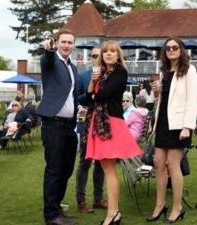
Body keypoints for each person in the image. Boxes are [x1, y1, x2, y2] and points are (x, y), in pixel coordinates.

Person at [85, 40, 141, 225]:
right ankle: (114, 213)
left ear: (118, 55)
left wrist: (94, 93)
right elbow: (88, 96)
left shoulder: (119, 72)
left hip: (111, 123)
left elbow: (102, 95)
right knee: (106, 168)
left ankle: (112, 214)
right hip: (100, 121)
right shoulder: (100, 74)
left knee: (109, 170)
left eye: (112, 51)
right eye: (105, 51)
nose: (108, 54)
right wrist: (93, 82)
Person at [148, 37, 197, 223]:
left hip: (179, 125)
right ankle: (160, 205)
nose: (171, 50)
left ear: (181, 50)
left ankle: (177, 207)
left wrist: (187, 126)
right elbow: (163, 100)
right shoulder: (164, 71)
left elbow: (192, 100)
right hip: (162, 122)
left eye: (174, 47)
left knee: (172, 164)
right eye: (167, 48)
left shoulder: (189, 70)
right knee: (158, 163)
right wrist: (156, 92)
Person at [36, 29, 78, 225]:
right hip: (53, 124)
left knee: (67, 169)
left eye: (70, 42)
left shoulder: (73, 68)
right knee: (54, 169)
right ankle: (51, 215)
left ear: (73, 45)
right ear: (57, 43)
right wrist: (49, 51)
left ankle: (57, 207)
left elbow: (72, 95)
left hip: (70, 126)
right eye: (63, 42)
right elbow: (47, 60)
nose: (66, 45)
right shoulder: (52, 62)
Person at [75, 46, 107, 214]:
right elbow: (78, 99)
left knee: (101, 163)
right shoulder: (83, 76)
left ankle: (98, 199)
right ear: (91, 58)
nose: (97, 58)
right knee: (85, 162)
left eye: (100, 55)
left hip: (104, 124)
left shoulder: (110, 75)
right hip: (87, 123)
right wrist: (91, 86)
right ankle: (81, 200)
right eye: (94, 55)